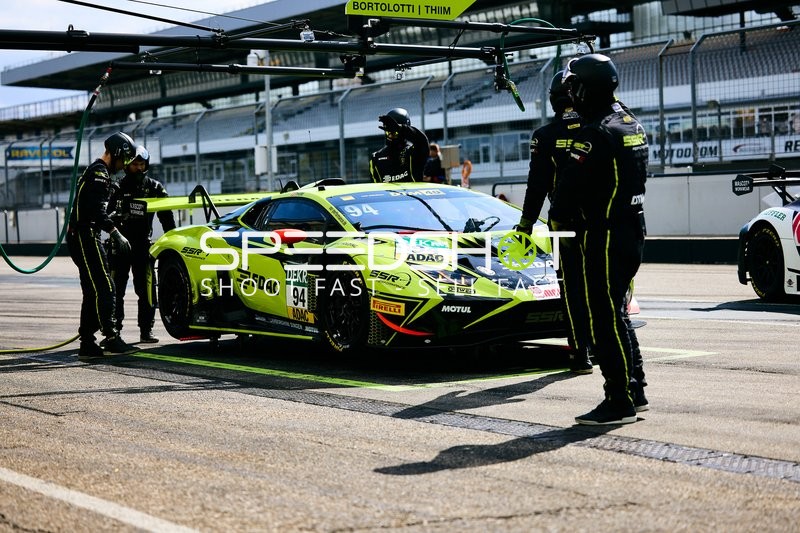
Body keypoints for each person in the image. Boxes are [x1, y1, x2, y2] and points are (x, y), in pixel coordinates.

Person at [549, 53, 649, 425]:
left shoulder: (592, 134)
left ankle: (618, 399)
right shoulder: (629, 122)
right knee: (618, 313)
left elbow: (565, 194)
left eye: (574, 85)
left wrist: (561, 224)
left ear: (585, 89)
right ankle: (635, 390)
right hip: (632, 227)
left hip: (603, 234)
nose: (570, 91)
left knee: (604, 319)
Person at [516, 69, 593, 375]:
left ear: (554, 100)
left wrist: (524, 224)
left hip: (563, 223)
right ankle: (606, 345)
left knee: (572, 286)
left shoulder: (545, 136)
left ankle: (580, 353)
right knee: (601, 284)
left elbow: (536, 185)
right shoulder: (598, 127)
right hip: (602, 220)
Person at [66, 132, 139, 361]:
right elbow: (95, 212)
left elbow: (94, 206)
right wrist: (115, 232)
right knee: (106, 286)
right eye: (125, 159)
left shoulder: (99, 173)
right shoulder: (99, 173)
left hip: (82, 234)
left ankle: (88, 344)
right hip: (86, 235)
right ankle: (110, 336)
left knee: (92, 291)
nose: (125, 165)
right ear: (117, 153)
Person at [107, 144, 176, 344]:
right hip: (118, 245)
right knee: (115, 290)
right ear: (127, 165)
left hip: (143, 246)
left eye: (141, 164)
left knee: (146, 290)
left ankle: (146, 330)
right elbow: (104, 215)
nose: (138, 167)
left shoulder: (155, 188)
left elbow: (167, 219)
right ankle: (114, 331)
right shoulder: (116, 187)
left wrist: (170, 242)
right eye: (134, 163)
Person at [369, 107, 429, 183]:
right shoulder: (376, 158)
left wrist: (401, 129)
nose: (391, 135)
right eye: (388, 131)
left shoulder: (413, 152)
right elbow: (375, 189)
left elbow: (422, 141)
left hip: (412, 194)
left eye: (395, 132)